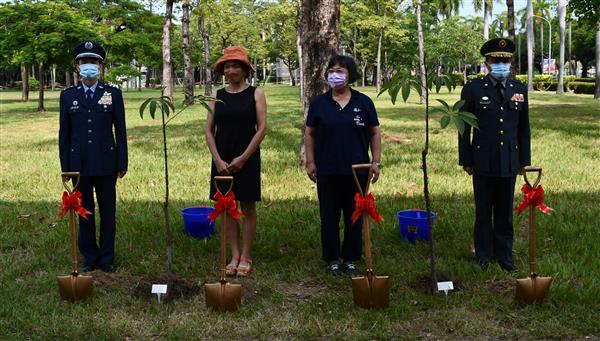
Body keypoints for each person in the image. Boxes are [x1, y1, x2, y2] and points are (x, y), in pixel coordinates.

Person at [304, 55, 382, 276]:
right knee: (328, 216)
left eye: (340, 71)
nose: (335, 75)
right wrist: (310, 161)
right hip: (327, 170)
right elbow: (310, 134)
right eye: (332, 70)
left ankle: (350, 258)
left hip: (358, 171)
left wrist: (375, 162)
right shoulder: (319, 103)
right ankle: (331, 258)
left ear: (350, 75)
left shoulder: (363, 102)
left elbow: (375, 132)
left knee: (354, 215)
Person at [458, 38, 531, 272]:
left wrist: (524, 161)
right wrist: (466, 159)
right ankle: (483, 255)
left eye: (505, 61)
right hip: (482, 160)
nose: (501, 64)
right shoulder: (473, 89)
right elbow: (463, 128)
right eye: (496, 60)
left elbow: (524, 128)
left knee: (504, 212)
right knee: (483, 211)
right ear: (487, 63)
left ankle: (504, 256)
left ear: (510, 63)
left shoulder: (518, 90)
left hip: (510, 160)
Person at [59, 41, 128, 273]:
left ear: (100, 66)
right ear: (77, 66)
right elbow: (64, 134)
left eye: (93, 61)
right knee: (84, 211)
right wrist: (65, 167)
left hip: (107, 163)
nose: (89, 65)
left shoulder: (112, 94)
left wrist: (122, 162)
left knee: (108, 212)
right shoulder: (68, 96)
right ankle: (89, 255)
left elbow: (121, 130)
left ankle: (107, 256)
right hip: (79, 165)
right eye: (84, 61)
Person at [205, 46, 267, 277]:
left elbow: (261, 129)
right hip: (222, 159)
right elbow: (209, 131)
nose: (231, 70)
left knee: (247, 206)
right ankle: (234, 254)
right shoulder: (217, 96)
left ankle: (246, 255)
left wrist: (243, 158)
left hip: (247, 157)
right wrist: (218, 160)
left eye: (235, 65)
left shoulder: (256, 94)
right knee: (226, 207)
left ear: (245, 69)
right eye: (227, 66)